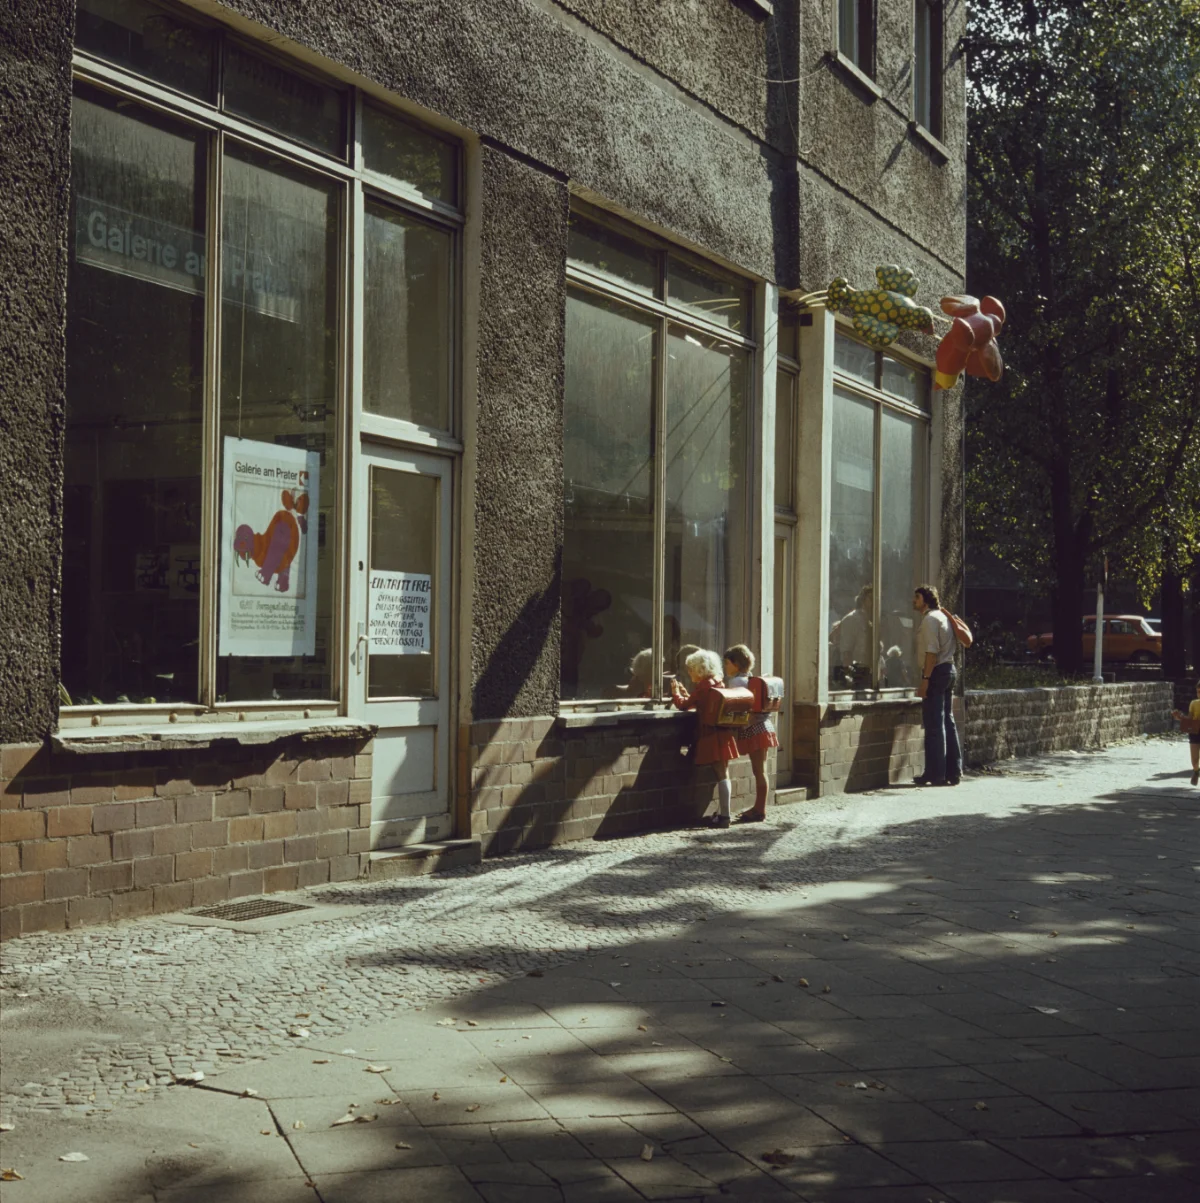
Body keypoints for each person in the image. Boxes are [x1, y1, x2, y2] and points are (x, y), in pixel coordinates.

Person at [671, 648, 740, 828]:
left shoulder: (703, 686)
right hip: (723, 733)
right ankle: (723, 813)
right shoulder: (718, 682)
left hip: (711, 734)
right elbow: (699, 702)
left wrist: (675, 691)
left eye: (691, 669)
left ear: (699, 669)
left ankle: (725, 816)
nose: (689, 672)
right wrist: (686, 693)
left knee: (721, 774)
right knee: (724, 773)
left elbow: (683, 705)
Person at [912, 584, 961, 786]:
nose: (913, 601)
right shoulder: (942, 617)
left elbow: (931, 653)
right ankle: (953, 771)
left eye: (916, 597)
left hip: (936, 672)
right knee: (947, 721)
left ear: (925, 600)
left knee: (934, 723)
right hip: (948, 670)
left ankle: (935, 774)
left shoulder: (930, 620)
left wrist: (925, 679)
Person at [723, 643, 777, 824]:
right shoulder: (752, 679)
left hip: (754, 729)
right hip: (765, 727)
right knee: (761, 770)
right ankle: (759, 808)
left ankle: (759, 810)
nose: (725, 667)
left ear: (736, 664)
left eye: (727, 663)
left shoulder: (736, 682)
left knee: (759, 770)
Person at [1170, 681, 1200, 786]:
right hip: (1195, 733)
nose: (1199, 694)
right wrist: (1180, 717)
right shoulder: (1194, 703)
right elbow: (1190, 718)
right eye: (1198, 692)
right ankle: (1196, 771)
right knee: (1194, 762)